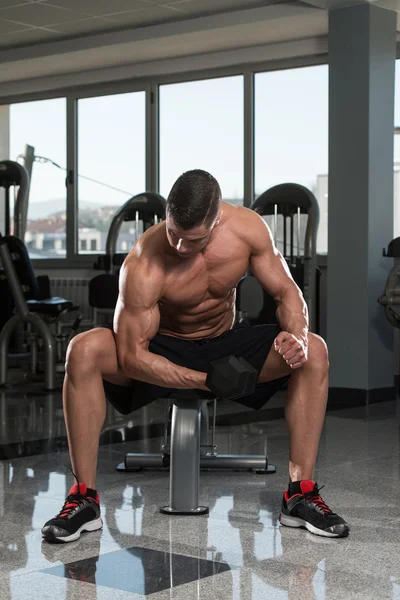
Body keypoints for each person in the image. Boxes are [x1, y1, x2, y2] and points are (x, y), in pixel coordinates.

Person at [42, 169, 349, 543]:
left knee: (314, 350)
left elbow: (287, 293)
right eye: (173, 233)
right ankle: (83, 499)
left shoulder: (247, 230)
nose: (180, 248)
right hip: (162, 346)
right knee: (84, 349)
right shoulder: (145, 261)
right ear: (167, 216)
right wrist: (207, 380)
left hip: (224, 342)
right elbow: (132, 355)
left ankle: (300, 494)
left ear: (217, 218)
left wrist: (297, 336)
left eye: (193, 240)